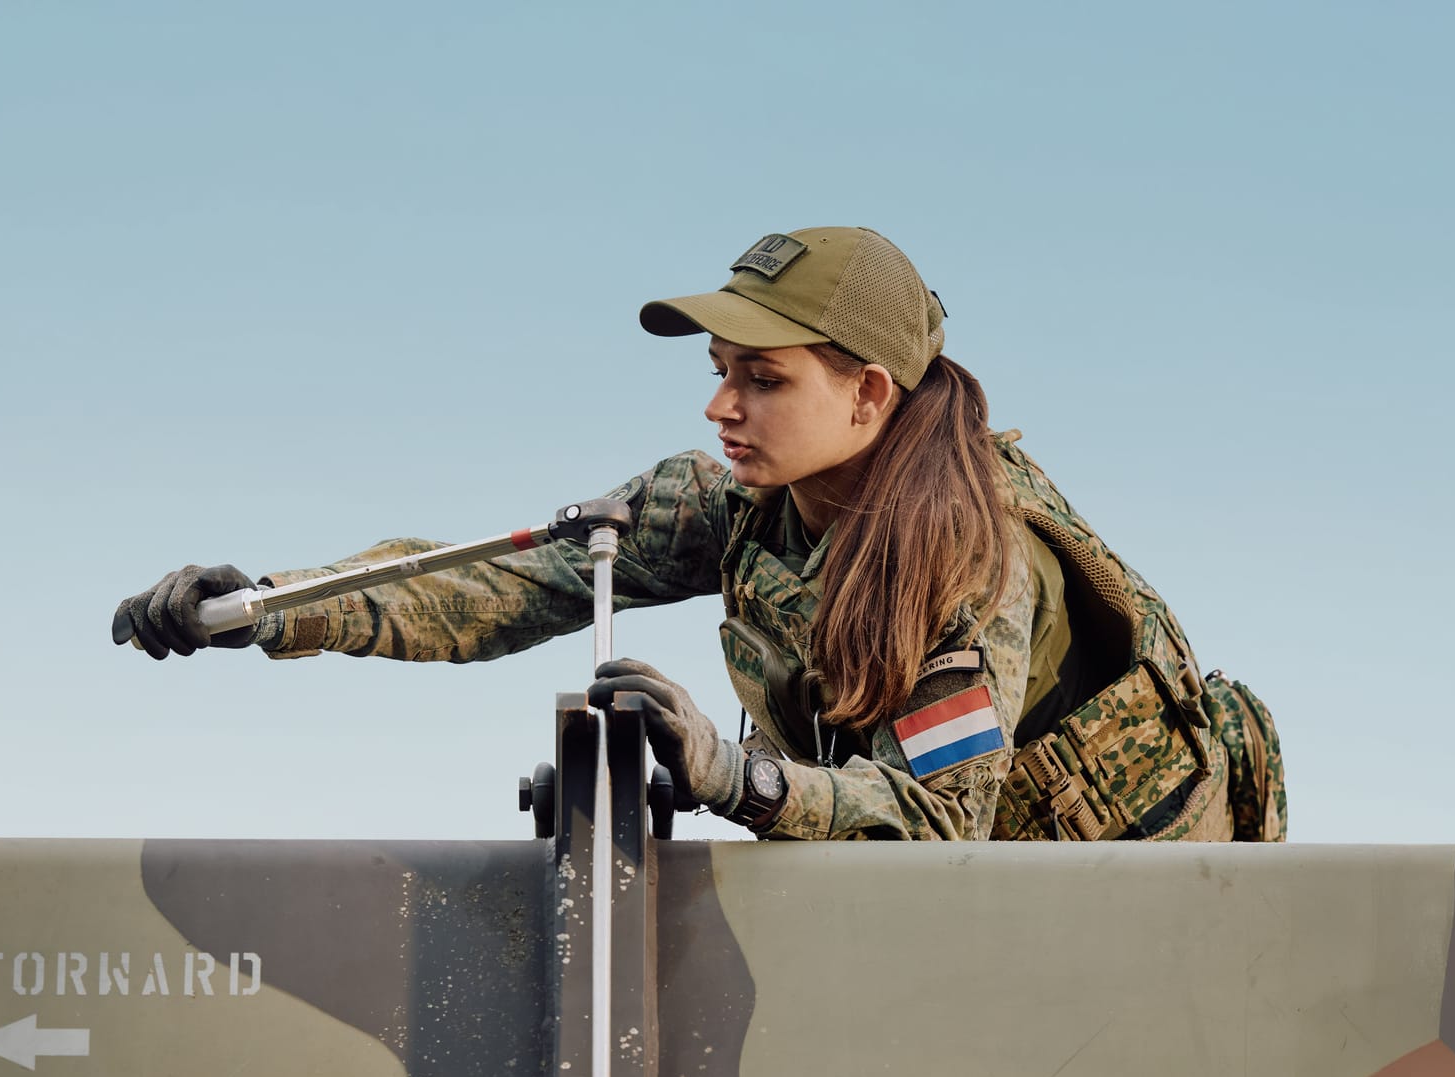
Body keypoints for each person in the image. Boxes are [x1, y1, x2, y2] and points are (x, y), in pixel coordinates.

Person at [114, 227, 1283, 842]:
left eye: (762, 380)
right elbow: (510, 582)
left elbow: (937, 819)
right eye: (719, 371)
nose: (721, 407)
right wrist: (265, 608)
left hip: (1130, 914)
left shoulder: (971, 562)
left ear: (868, 395)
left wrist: (732, 776)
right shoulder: (732, 504)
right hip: (967, 923)